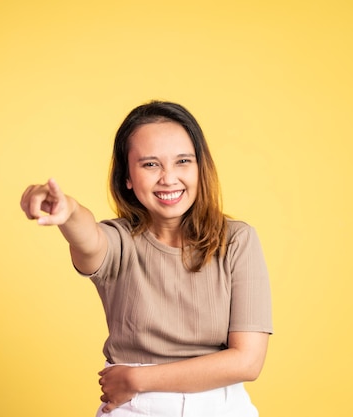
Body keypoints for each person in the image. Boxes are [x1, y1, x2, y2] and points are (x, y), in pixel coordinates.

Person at [20, 101, 273, 417]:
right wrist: (68, 209)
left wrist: (137, 378)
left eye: (182, 161)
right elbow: (87, 236)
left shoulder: (237, 240)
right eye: (150, 165)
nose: (168, 178)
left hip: (220, 407)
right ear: (127, 176)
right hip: (135, 410)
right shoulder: (118, 243)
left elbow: (247, 361)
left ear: (199, 167)